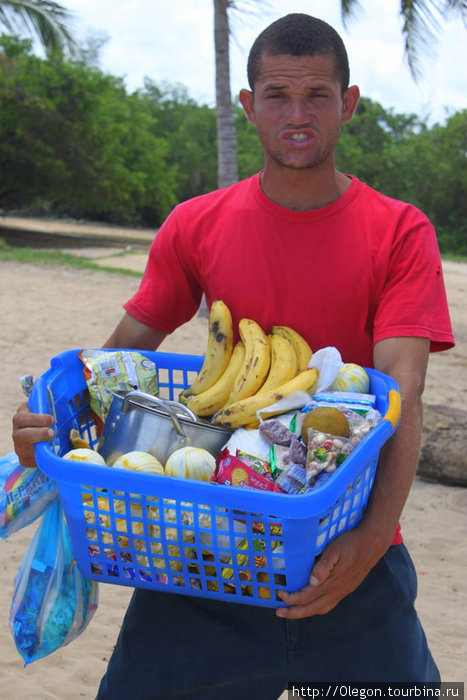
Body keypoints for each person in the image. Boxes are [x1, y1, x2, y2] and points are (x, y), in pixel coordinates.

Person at [12, 13, 454, 699]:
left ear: (350, 103)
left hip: (349, 555)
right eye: (277, 94)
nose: (297, 114)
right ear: (247, 106)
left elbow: (403, 389)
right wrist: (49, 422)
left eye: (317, 95)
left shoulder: (398, 231)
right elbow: (119, 358)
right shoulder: (197, 223)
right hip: (200, 546)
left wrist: (366, 547)